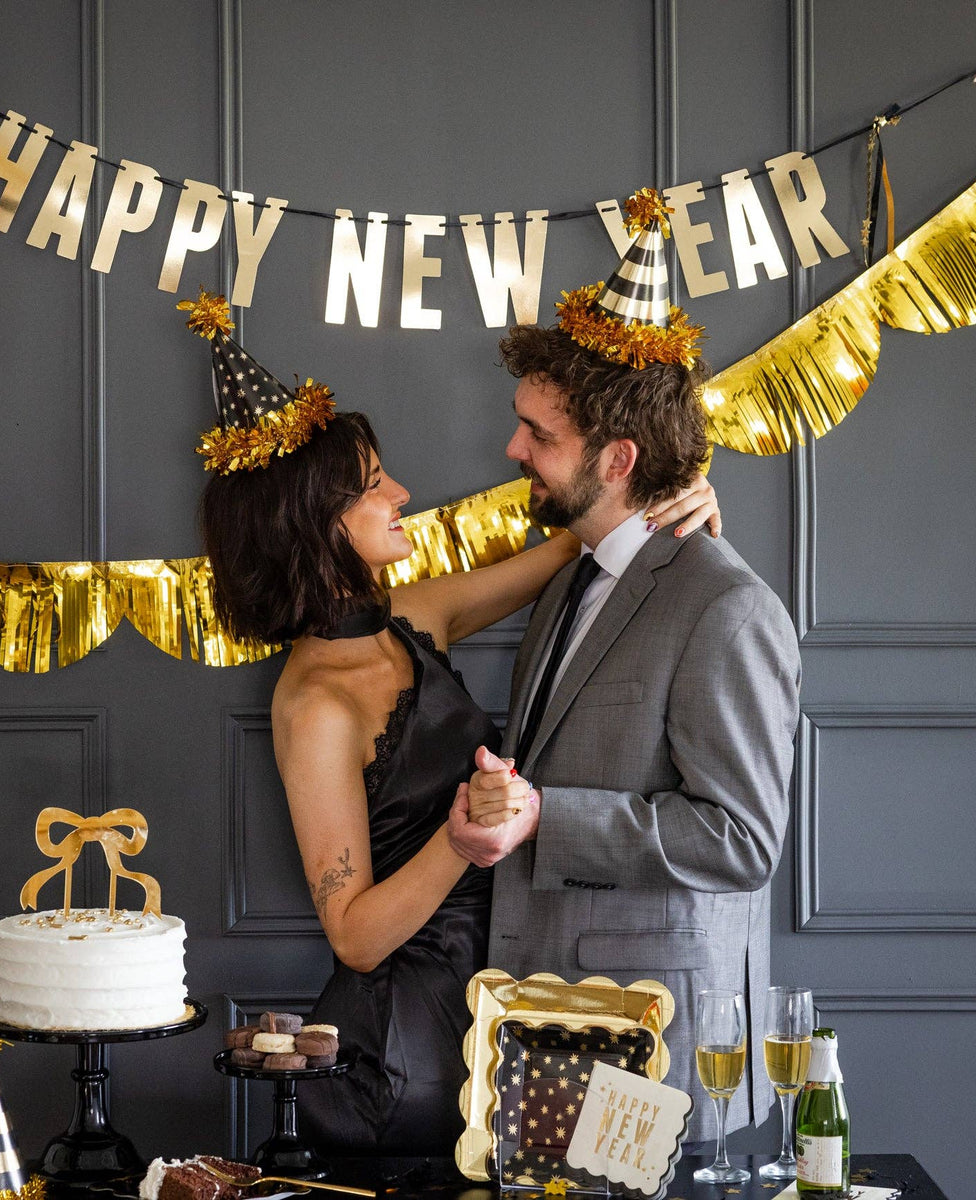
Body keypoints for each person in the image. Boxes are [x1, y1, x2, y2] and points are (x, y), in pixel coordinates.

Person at [179, 288, 720, 1154]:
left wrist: (677, 495)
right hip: (407, 1045)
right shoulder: (314, 702)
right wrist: (459, 842)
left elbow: (577, 542)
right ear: (318, 528)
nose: (400, 491)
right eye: (369, 486)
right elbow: (353, 937)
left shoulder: (409, 617)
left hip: (502, 1000)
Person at [445, 191, 802, 1144]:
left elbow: (740, 839)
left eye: (541, 436)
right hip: (543, 1020)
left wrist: (544, 818)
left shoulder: (727, 608)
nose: (512, 448)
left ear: (619, 459)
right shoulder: (572, 577)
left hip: (660, 1040)